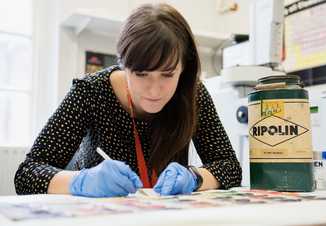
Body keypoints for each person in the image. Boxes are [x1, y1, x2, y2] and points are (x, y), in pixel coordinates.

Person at [14, 3, 242, 197]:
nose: (154, 90)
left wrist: (195, 177)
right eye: (141, 74)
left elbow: (229, 167)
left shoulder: (192, 93)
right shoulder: (91, 92)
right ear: (124, 65)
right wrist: (81, 182)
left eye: (168, 74)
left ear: (184, 68)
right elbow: (27, 174)